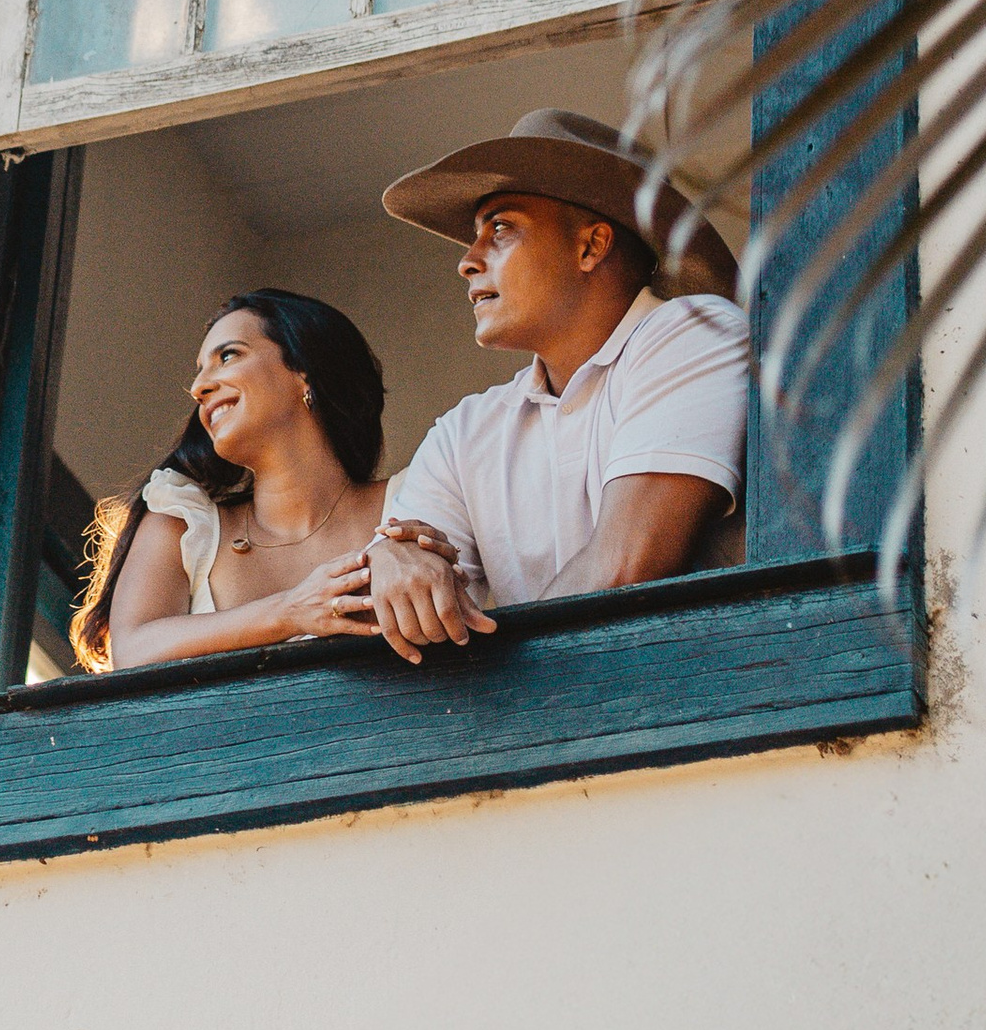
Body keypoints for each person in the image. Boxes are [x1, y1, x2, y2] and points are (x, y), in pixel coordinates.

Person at [366, 106, 747, 663]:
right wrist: (390, 561)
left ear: (590, 247)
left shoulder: (692, 331)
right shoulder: (465, 429)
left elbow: (624, 568)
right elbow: (399, 622)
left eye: (500, 229)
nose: (467, 263)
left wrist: (501, 691)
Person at [72, 288, 390, 670]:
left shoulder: (411, 498)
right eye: (200, 370)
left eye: (227, 356)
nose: (198, 388)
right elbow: (134, 649)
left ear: (305, 369)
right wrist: (291, 611)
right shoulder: (183, 525)